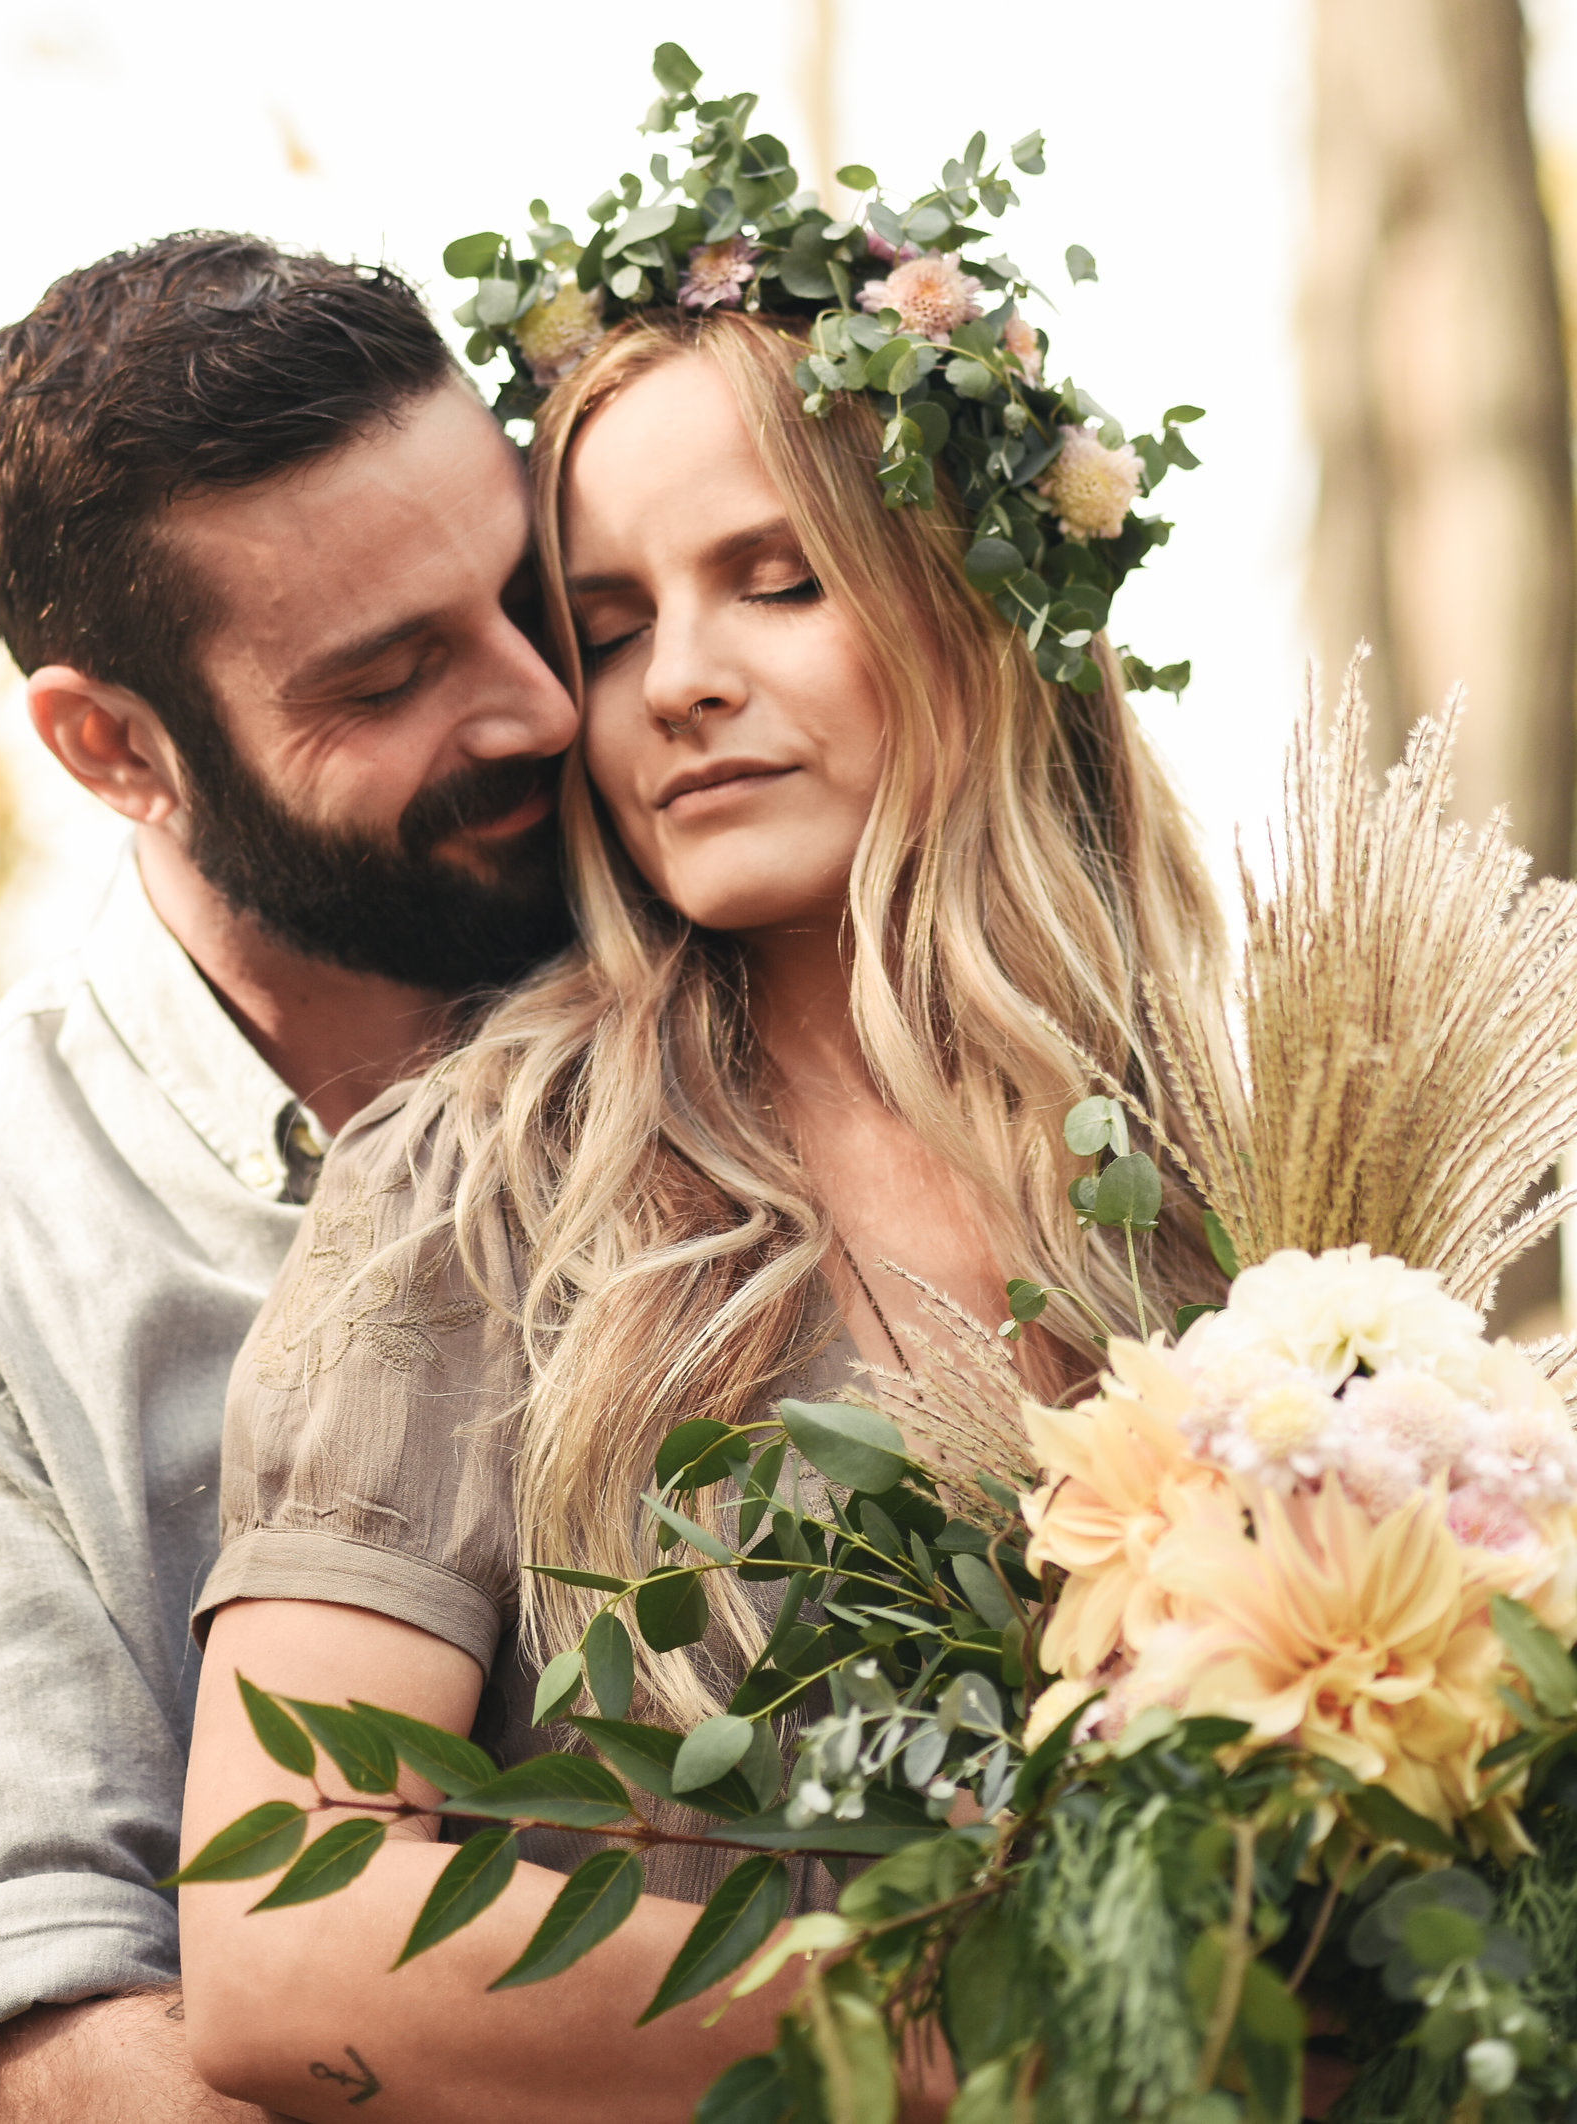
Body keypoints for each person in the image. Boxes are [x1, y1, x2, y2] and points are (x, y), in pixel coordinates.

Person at [176, 284, 1227, 2122]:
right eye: (609, 624)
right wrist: (979, 2037)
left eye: (779, 579)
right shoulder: (490, 1182)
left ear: (976, 604)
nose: (677, 679)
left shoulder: (1256, 1173)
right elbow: (280, 1936)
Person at [0, 231, 579, 2124]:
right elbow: (33, 2044)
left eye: (528, 593)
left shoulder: (750, 990)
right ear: (116, 745)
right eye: (388, 675)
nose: (538, 708)